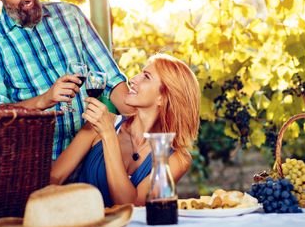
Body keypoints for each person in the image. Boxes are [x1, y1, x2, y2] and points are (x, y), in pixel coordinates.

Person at [0, 0, 131, 159]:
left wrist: (140, 126)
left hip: (94, 149)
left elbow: (112, 80)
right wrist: (44, 99)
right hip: (38, 163)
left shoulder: (70, 16)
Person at [50, 54, 200, 207]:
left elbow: (132, 206)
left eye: (146, 77)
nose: (133, 79)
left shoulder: (178, 159)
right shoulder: (100, 123)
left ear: (162, 97)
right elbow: (54, 177)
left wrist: (109, 135)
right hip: (81, 226)